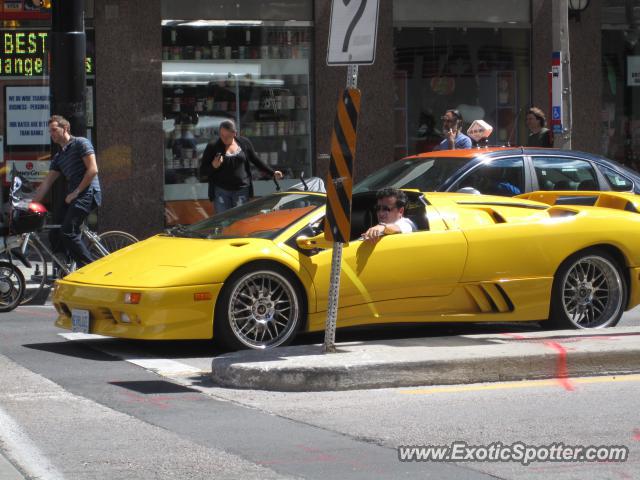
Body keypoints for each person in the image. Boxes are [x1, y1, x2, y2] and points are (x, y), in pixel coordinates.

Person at [33, 115, 102, 267]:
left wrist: (76, 192)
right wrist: (30, 205)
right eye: (49, 131)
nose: (51, 134)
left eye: (54, 130)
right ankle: (66, 265)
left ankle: (91, 269)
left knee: (67, 232)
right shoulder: (59, 157)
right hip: (73, 197)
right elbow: (47, 183)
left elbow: (93, 170)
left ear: (65, 128)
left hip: (88, 194)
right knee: (54, 232)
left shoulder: (81, 143)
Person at [200, 119, 284, 213]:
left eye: (227, 136)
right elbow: (202, 172)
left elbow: (255, 160)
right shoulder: (213, 146)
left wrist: (272, 173)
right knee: (224, 223)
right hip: (221, 191)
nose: (224, 139)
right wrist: (213, 166)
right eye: (222, 135)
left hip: (241, 190)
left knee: (240, 221)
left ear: (234, 133)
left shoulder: (244, 143)